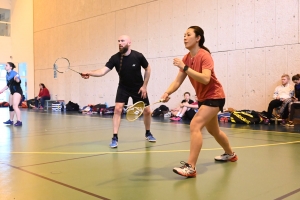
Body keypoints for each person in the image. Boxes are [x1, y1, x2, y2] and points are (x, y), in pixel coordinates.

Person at [160, 26, 237, 178]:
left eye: (188, 35)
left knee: (195, 125)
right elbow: (178, 81)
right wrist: (167, 92)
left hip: (215, 96)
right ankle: (230, 154)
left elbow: (205, 78)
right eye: (184, 35)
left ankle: (191, 167)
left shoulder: (204, 55)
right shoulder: (186, 58)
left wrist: (185, 67)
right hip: (203, 98)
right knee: (214, 131)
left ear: (198, 38)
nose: (185, 37)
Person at [81, 35, 156, 148]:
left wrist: (144, 86)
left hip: (139, 88)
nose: (120, 43)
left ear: (129, 43)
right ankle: (115, 137)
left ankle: (148, 132)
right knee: (117, 109)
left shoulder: (138, 56)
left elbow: (148, 69)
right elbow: (102, 71)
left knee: (147, 111)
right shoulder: (115, 58)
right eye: (118, 41)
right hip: (123, 87)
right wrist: (89, 73)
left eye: (122, 41)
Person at [0, 62, 23, 126]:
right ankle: (11, 120)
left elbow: (18, 81)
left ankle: (19, 121)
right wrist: (1, 91)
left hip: (17, 91)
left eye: (6, 65)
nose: (5, 66)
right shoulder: (7, 75)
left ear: (10, 67)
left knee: (15, 106)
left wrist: (16, 79)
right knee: (11, 107)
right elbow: (8, 85)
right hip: (12, 92)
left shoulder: (14, 73)